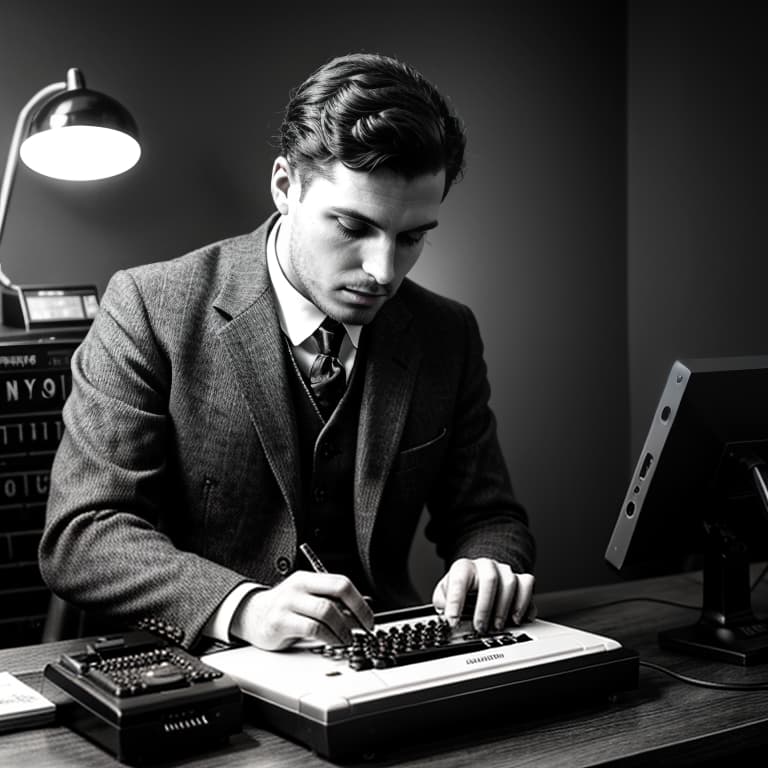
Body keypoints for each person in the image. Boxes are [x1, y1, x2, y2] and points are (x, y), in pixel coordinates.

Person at [39, 52, 536, 652]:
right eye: (352, 228)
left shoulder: (446, 333)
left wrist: (487, 567)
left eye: (411, 238)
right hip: (195, 672)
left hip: (383, 660)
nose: (382, 272)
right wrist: (242, 607)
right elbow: (83, 533)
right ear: (284, 186)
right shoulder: (147, 306)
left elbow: (490, 519)